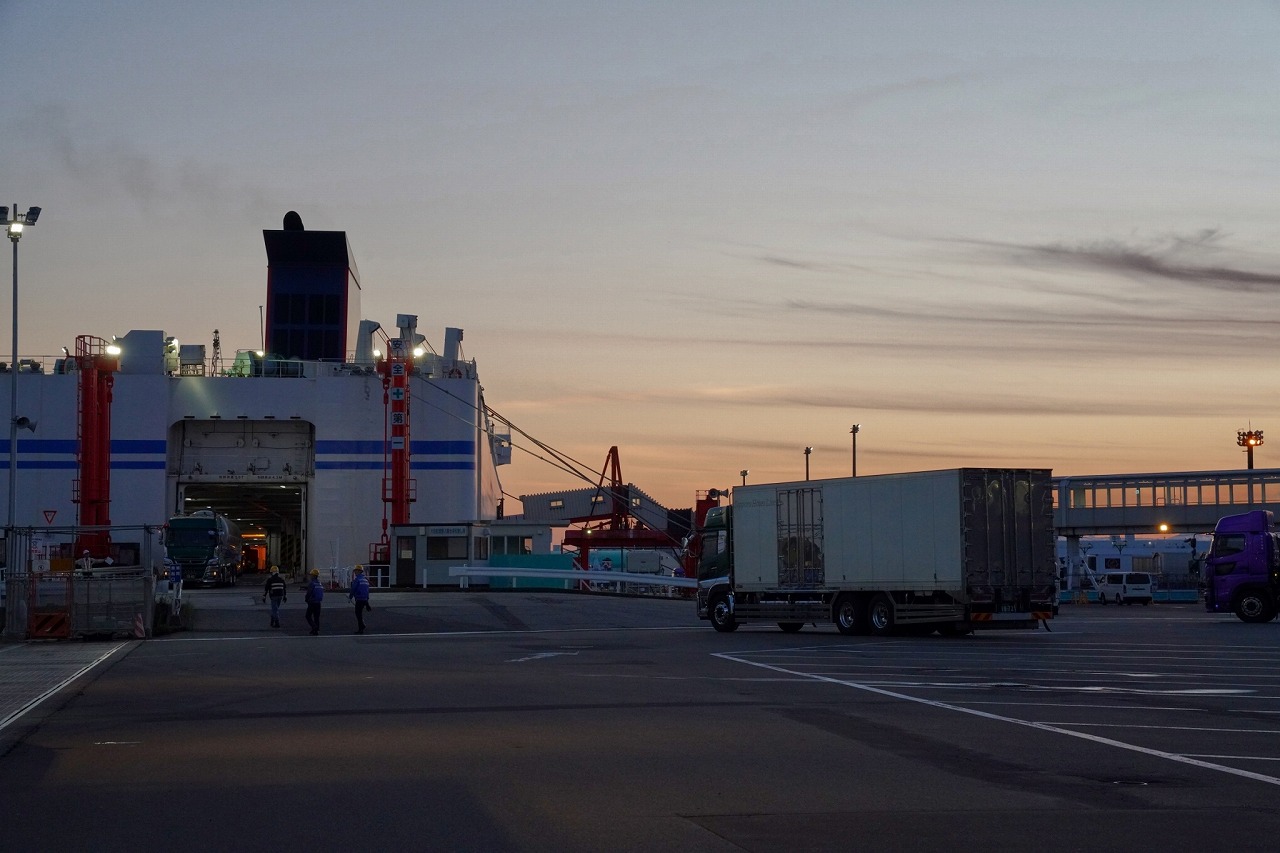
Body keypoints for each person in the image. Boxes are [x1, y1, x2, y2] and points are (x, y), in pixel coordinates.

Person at [348, 564, 371, 634]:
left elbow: (353, 589)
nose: (355, 572)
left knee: (358, 613)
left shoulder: (357, 580)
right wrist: (367, 603)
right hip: (364, 599)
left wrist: (350, 597)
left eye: (355, 571)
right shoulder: (365, 580)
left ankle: (361, 628)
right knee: (359, 613)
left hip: (359, 599)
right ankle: (362, 626)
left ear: (358, 571)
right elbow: (367, 591)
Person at [304, 568, 325, 635]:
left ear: (313, 576)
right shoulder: (320, 583)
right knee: (316, 617)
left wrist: (306, 599)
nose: (310, 576)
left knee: (308, 616)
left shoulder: (312, 584)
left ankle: (314, 626)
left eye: (311, 575)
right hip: (318, 603)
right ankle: (315, 630)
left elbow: (309, 593)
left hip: (312, 602)